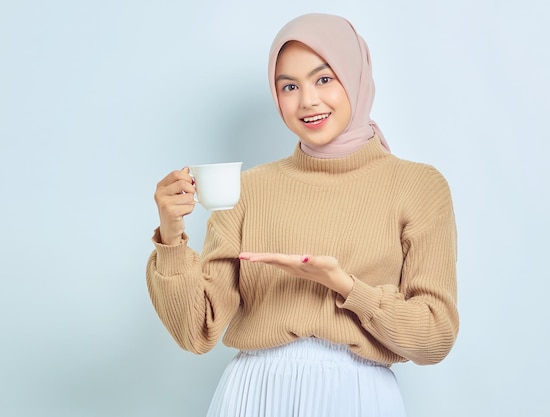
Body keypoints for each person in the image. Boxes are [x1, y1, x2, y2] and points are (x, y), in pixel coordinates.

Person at [147, 13, 458, 417]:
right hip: (254, 396)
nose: (308, 100)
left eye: (324, 79)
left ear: (356, 76)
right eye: (289, 86)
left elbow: (434, 336)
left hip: (358, 397)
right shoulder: (249, 190)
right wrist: (172, 237)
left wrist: (346, 287)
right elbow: (197, 330)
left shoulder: (418, 185)